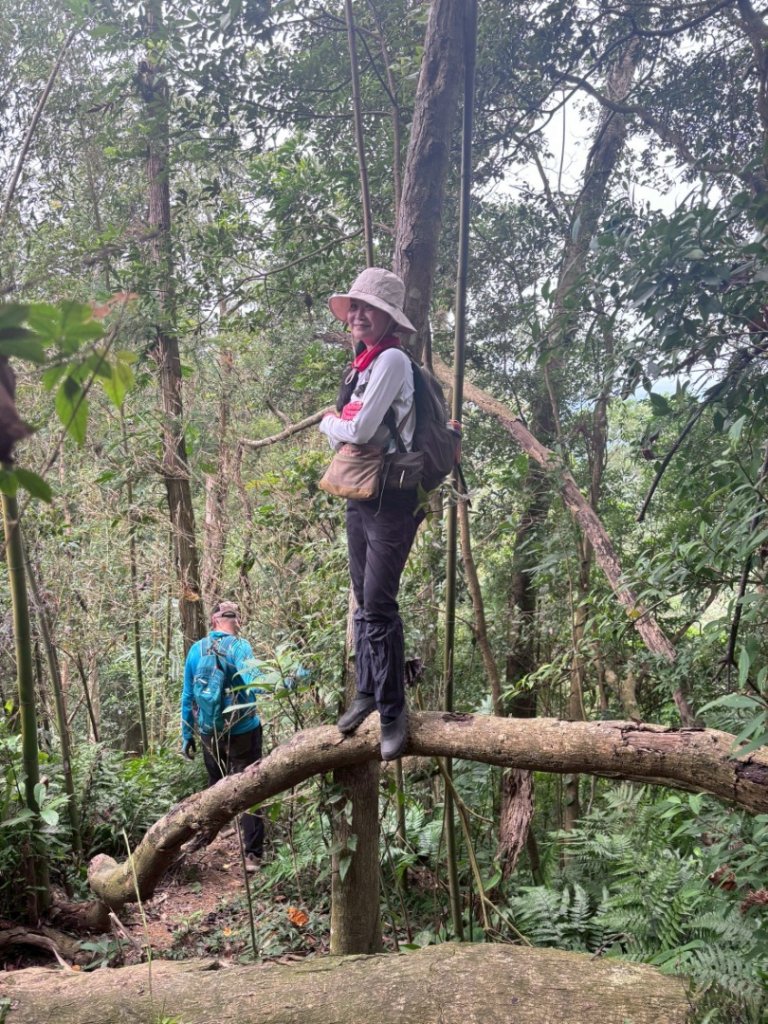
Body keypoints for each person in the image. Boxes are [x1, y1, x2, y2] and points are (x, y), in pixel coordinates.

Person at [320, 267, 425, 761]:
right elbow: (358, 425)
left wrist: (328, 423)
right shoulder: (364, 362)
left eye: (368, 309)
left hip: (392, 496)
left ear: (388, 317)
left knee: (380, 602)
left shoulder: (393, 361)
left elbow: (358, 430)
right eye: (354, 308)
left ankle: (392, 710)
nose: (358, 315)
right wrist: (342, 424)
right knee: (363, 598)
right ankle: (366, 690)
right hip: (361, 492)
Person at [180, 600, 265, 871]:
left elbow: (188, 696)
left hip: (209, 732)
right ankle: (252, 855)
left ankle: (203, 841)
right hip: (243, 729)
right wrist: (290, 680)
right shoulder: (240, 647)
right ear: (234, 621)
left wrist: (187, 735)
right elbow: (257, 680)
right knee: (250, 789)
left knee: (216, 786)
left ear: (213, 621)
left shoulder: (196, 650)